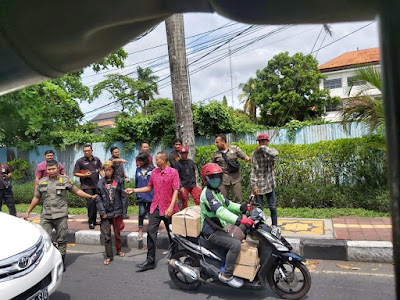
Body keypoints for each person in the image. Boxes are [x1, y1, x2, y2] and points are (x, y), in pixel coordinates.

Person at [24, 160, 98, 271]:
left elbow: (77, 191)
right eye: (49, 169)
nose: (51, 171)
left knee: (62, 240)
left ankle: (61, 263)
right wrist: (28, 211)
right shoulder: (42, 182)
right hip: (46, 216)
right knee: (45, 240)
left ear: (58, 168)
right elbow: (36, 198)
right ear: (46, 170)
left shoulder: (65, 180)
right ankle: (49, 262)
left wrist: (90, 197)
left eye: (53, 168)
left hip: (61, 215)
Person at [199, 163, 255, 288]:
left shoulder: (216, 192)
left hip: (221, 226)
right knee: (235, 245)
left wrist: (243, 208)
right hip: (211, 231)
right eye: (212, 177)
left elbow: (228, 204)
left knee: (244, 228)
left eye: (217, 177)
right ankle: (227, 274)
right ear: (205, 179)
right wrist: (239, 220)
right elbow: (220, 211)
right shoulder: (207, 194)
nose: (216, 180)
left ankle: (232, 262)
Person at [126, 151, 179, 271]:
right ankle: (150, 261)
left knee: (173, 234)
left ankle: (176, 258)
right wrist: (134, 190)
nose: (155, 161)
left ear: (163, 160)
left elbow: (176, 189)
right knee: (150, 231)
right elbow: (149, 187)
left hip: (169, 208)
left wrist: (171, 207)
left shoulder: (173, 172)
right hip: (155, 207)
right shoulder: (154, 172)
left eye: (157, 159)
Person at [96, 161, 127, 265]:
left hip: (117, 211)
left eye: (109, 170)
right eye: (106, 170)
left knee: (117, 232)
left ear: (113, 170)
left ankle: (119, 249)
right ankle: (109, 256)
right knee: (107, 236)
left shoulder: (118, 181)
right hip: (105, 213)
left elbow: (123, 196)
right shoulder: (100, 182)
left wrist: (123, 211)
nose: (108, 172)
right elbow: (98, 198)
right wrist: (102, 212)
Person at [250, 133, 279, 234]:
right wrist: (254, 186)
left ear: (267, 142)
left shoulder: (270, 151)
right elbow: (253, 171)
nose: (262, 143)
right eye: (260, 142)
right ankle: (260, 228)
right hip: (260, 185)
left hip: (270, 184)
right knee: (259, 209)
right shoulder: (255, 154)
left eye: (264, 141)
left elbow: (275, 154)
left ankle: (275, 226)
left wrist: (263, 148)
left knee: (273, 207)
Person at [212, 134, 250, 203]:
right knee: (222, 199)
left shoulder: (234, 149)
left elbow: (245, 157)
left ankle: (238, 213)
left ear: (223, 141)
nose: (216, 144)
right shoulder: (216, 153)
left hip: (235, 178)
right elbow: (212, 165)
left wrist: (248, 159)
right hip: (223, 179)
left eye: (217, 142)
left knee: (238, 198)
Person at [73, 144, 104, 229]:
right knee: (91, 203)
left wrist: (104, 179)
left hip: (96, 185)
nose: (86, 152)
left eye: (88, 151)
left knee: (98, 202)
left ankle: (98, 220)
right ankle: (91, 221)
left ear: (92, 151)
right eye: (85, 151)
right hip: (86, 186)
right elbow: (75, 173)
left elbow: (100, 170)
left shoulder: (96, 160)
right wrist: (84, 175)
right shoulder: (80, 161)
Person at [135, 152, 154, 241]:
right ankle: (140, 229)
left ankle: (151, 230)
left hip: (150, 195)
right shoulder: (138, 170)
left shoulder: (152, 169)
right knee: (141, 212)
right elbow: (136, 182)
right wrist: (136, 193)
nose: (139, 163)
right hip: (141, 195)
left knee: (151, 213)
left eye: (140, 161)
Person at [109, 146, 129, 219]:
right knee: (115, 197)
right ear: (111, 153)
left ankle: (124, 213)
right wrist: (120, 160)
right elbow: (112, 162)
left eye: (118, 152)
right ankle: (116, 213)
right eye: (115, 152)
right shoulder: (111, 160)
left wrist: (126, 177)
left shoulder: (119, 160)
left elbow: (122, 170)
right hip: (114, 181)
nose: (117, 153)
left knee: (124, 196)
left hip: (121, 180)